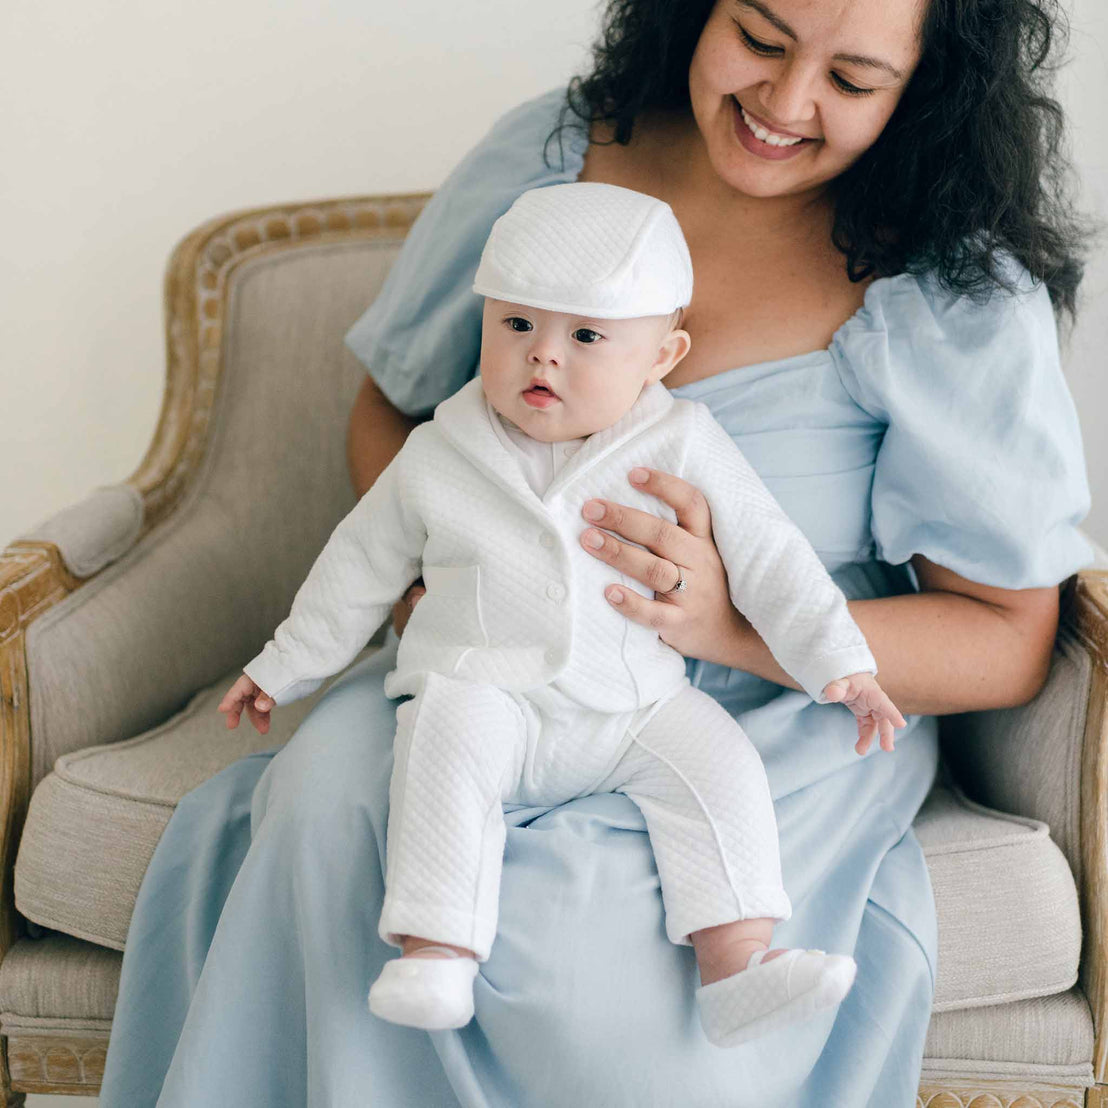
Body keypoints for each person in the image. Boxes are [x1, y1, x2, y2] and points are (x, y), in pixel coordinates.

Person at [98, 0, 1093, 1103]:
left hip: (767, 702)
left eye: (852, 81)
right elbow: (391, 413)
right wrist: (428, 586)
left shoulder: (945, 284)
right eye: (760, 39)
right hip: (491, 658)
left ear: (924, 92)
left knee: (593, 955)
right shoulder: (554, 158)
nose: (785, 102)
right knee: (324, 815)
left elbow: (1006, 638)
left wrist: (727, 622)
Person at [218, 181, 906, 1045]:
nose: (544, 358)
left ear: (662, 354)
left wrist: (844, 665)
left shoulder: (684, 442)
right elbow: (354, 570)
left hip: (631, 704)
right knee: (439, 756)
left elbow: (773, 556)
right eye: (516, 327)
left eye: (585, 337)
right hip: (483, 688)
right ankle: (438, 953)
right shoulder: (440, 449)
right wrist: (280, 666)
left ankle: (737, 965)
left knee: (720, 766)